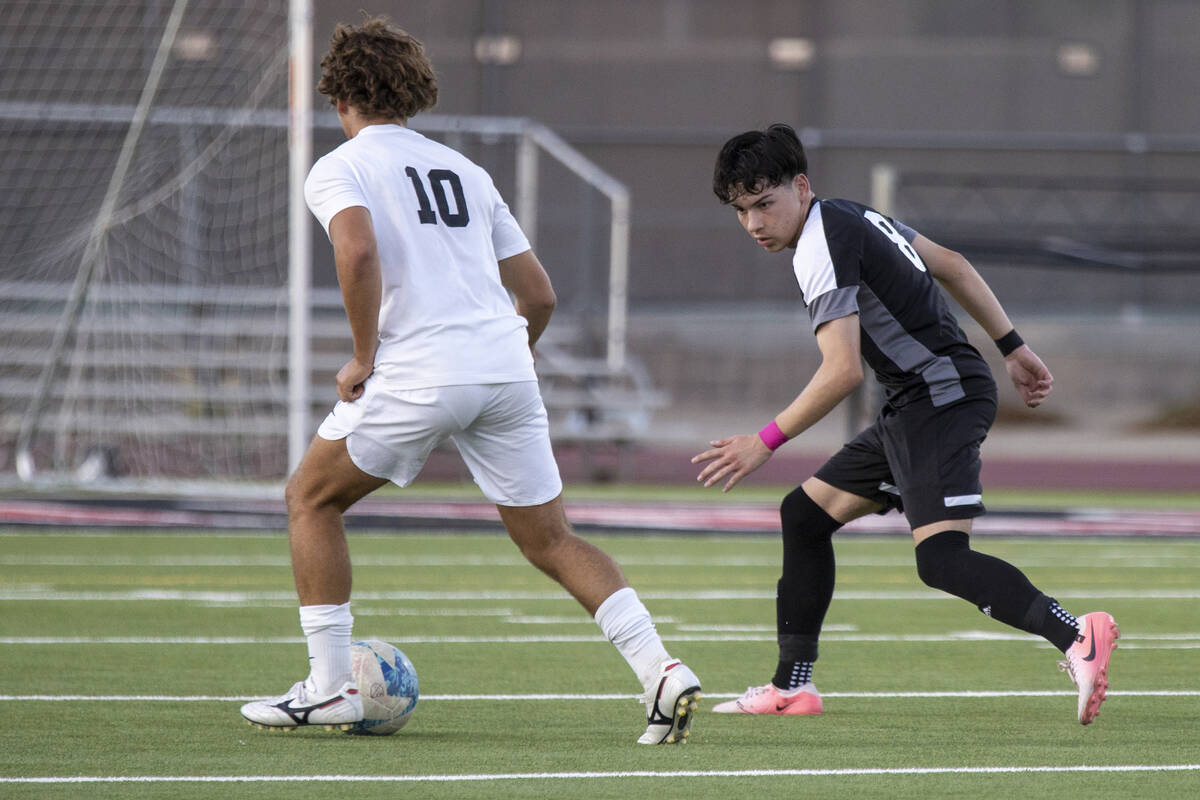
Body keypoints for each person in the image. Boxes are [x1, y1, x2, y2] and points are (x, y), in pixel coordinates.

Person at [239, 17, 699, 745]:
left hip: (420, 369)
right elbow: (539, 295)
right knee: (551, 539)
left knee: (310, 498)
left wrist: (362, 357)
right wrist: (510, 360)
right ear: (415, 90)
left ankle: (329, 690)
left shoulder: (340, 166)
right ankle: (662, 671)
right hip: (504, 366)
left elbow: (357, 257)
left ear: (337, 96)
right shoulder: (465, 170)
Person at [693, 124, 1117, 725]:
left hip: (937, 397)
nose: (755, 223)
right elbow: (953, 264)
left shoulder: (821, 243)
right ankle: (792, 688)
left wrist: (763, 443)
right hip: (918, 399)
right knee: (805, 517)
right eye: (741, 211)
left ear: (801, 186)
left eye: (765, 203)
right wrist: (1013, 347)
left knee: (940, 558)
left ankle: (1078, 636)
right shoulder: (847, 215)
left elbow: (840, 371)